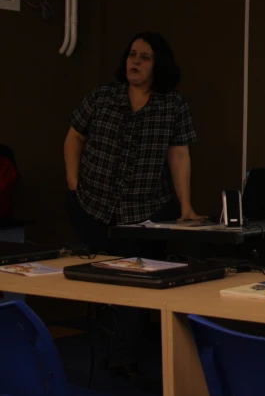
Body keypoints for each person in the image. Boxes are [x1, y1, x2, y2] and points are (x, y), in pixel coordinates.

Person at [63, 31, 201, 381]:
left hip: (146, 210)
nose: (134, 62)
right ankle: (111, 355)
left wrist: (185, 206)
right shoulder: (103, 96)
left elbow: (179, 153)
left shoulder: (173, 104)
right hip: (94, 204)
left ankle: (127, 360)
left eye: (144, 57)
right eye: (131, 55)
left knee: (138, 281)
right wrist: (73, 185)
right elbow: (74, 137)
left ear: (159, 65)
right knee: (106, 279)